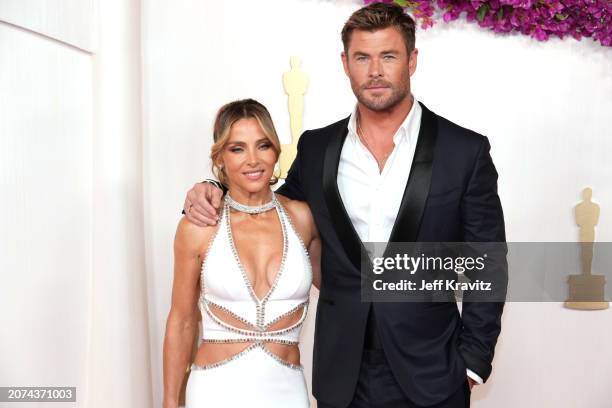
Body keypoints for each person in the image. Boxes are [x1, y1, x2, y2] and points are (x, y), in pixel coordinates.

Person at [184, 3, 506, 408]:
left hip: (433, 372)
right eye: (362, 57)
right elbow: (268, 201)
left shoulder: (464, 150)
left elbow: (487, 260)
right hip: (343, 374)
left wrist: (472, 362)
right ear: (345, 63)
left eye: (388, 56)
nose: (375, 71)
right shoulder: (318, 149)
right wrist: (210, 187)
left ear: (412, 60)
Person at [163, 99, 321, 408]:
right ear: (220, 157)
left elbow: (344, 287)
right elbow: (181, 320)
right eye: (237, 148)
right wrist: (170, 402)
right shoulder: (199, 226)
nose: (253, 160)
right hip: (214, 390)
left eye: (262, 146)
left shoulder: (303, 219)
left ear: (276, 150)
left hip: (288, 391)